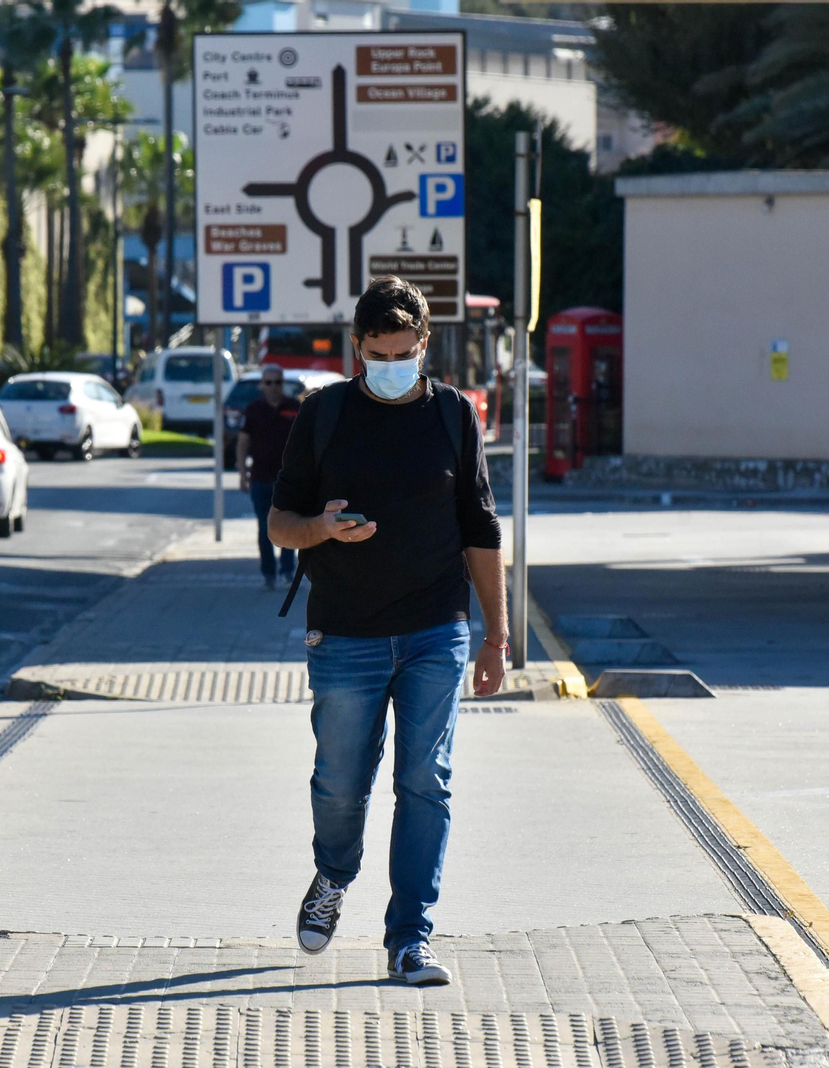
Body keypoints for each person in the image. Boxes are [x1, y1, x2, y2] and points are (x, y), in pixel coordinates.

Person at [268, 276, 508, 987]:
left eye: (405, 352)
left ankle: (410, 938)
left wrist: (496, 637)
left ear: (425, 344)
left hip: (437, 627)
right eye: (379, 353)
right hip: (345, 633)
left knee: (425, 781)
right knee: (341, 784)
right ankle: (334, 874)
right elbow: (280, 523)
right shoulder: (324, 414)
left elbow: (481, 527)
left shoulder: (453, 415)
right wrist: (321, 529)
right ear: (357, 348)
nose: (393, 364)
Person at [237, 364, 299, 590]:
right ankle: (268, 573)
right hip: (261, 479)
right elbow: (243, 442)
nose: (273, 387)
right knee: (265, 527)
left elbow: (306, 441)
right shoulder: (254, 410)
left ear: (283, 384)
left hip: (289, 480)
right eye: (269, 382)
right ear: (262, 385)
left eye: (278, 382)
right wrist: (242, 472)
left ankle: (287, 569)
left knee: (289, 525)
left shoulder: (294, 407)